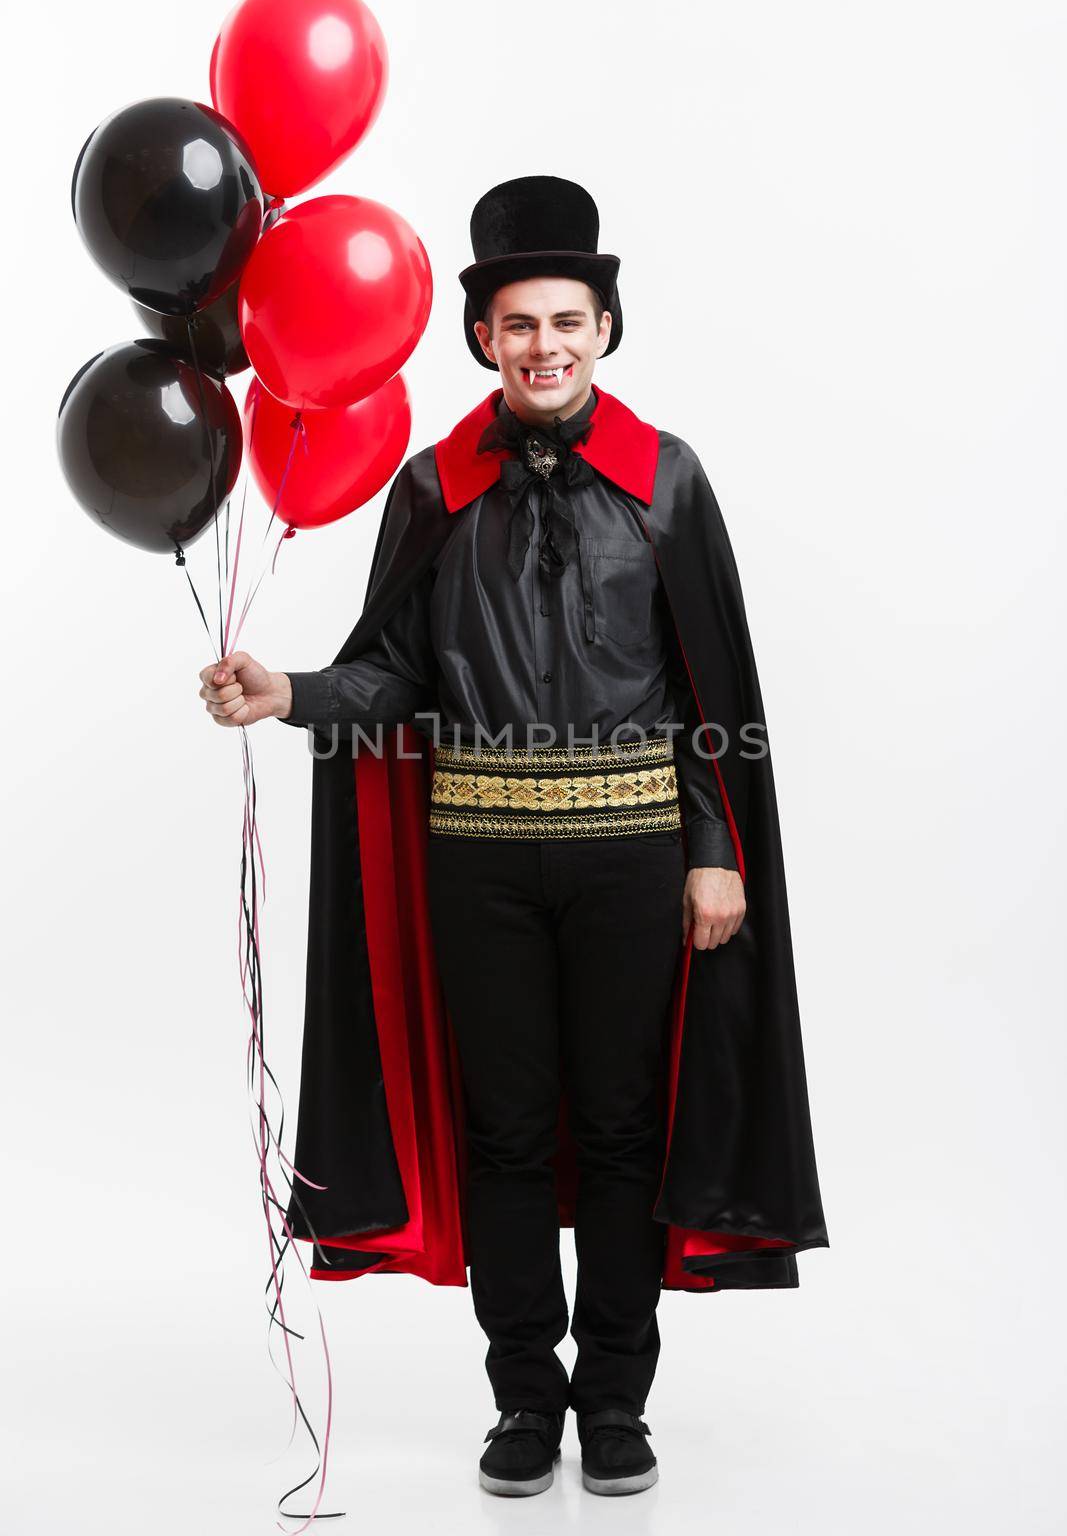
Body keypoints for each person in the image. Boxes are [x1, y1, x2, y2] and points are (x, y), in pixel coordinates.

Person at [198, 176, 828, 1499]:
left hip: (634, 857)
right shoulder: (434, 489)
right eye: (520, 325)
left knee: (615, 1132)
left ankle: (615, 1404)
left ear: (606, 329)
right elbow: (394, 680)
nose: (546, 346)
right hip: (476, 862)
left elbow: (711, 687)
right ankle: (523, 1402)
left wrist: (716, 850)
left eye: (569, 322)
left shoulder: (668, 481)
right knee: (502, 1133)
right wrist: (293, 693)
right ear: (482, 337)